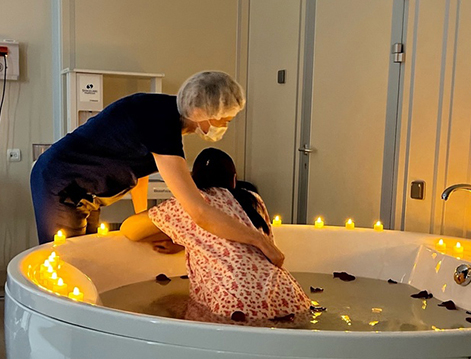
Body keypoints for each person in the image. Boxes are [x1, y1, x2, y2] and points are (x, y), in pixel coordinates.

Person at [31, 71, 284, 267]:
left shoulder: (166, 119)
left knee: (86, 255)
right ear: (200, 111)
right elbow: (198, 210)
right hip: (62, 182)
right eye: (223, 119)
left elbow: (138, 173)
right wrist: (258, 239)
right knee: (67, 261)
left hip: (88, 192)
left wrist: (144, 221)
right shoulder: (160, 123)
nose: (224, 125)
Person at [120, 148, 311, 322]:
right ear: (234, 179)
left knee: (165, 302)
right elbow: (236, 245)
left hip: (235, 304)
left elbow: (129, 230)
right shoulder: (253, 200)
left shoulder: (192, 205)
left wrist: (179, 236)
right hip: (289, 297)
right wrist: (183, 240)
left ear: (192, 180)